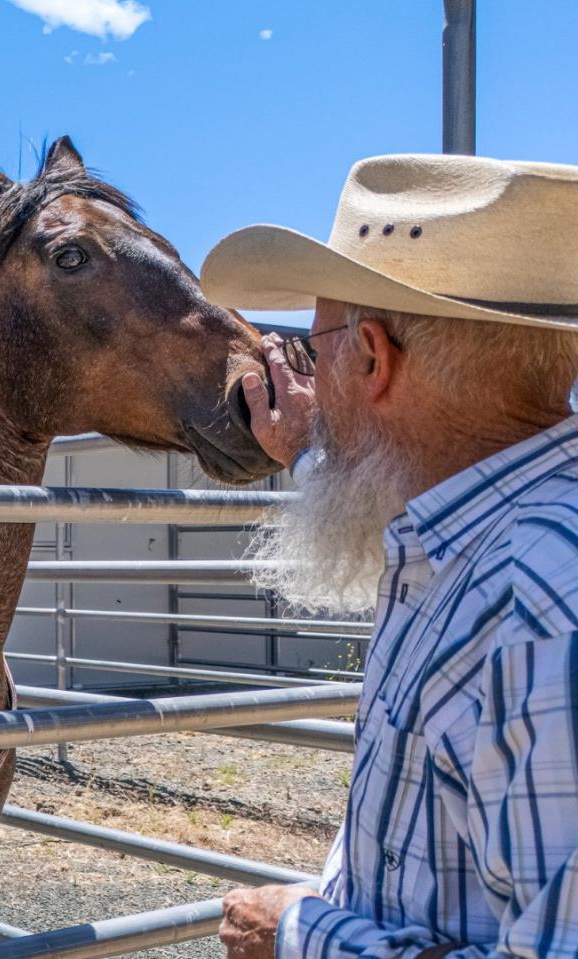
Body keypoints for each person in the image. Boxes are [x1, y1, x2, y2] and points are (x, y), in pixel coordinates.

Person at [198, 153, 578, 957]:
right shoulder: (483, 537)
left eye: (318, 340)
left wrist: (301, 936)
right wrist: (313, 441)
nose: (311, 369)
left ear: (371, 355)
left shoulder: (544, 608)